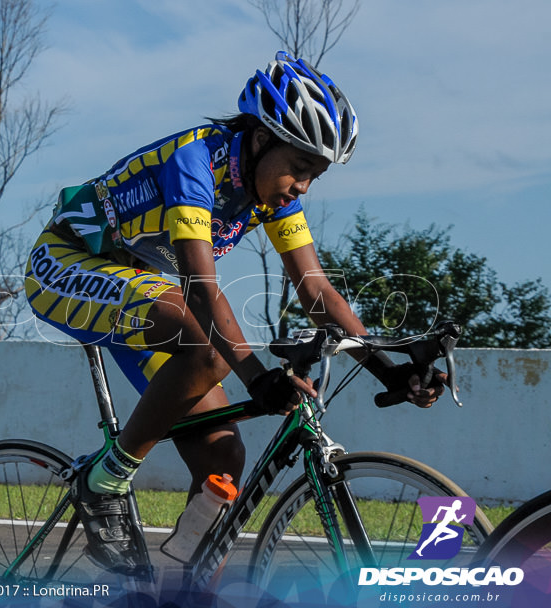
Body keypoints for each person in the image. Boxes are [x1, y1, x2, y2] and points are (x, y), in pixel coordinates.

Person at [24, 51, 444, 572]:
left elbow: (316, 290)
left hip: (138, 289)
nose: (304, 186)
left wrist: (388, 367)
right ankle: (103, 481)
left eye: (316, 175)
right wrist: (256, 376)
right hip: (66, 265)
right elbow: (201, 290)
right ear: (261, 138)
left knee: (223, 459)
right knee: (206, 347)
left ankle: (183, 589)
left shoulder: (271, 194)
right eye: (300, 167)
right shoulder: (194, 161)